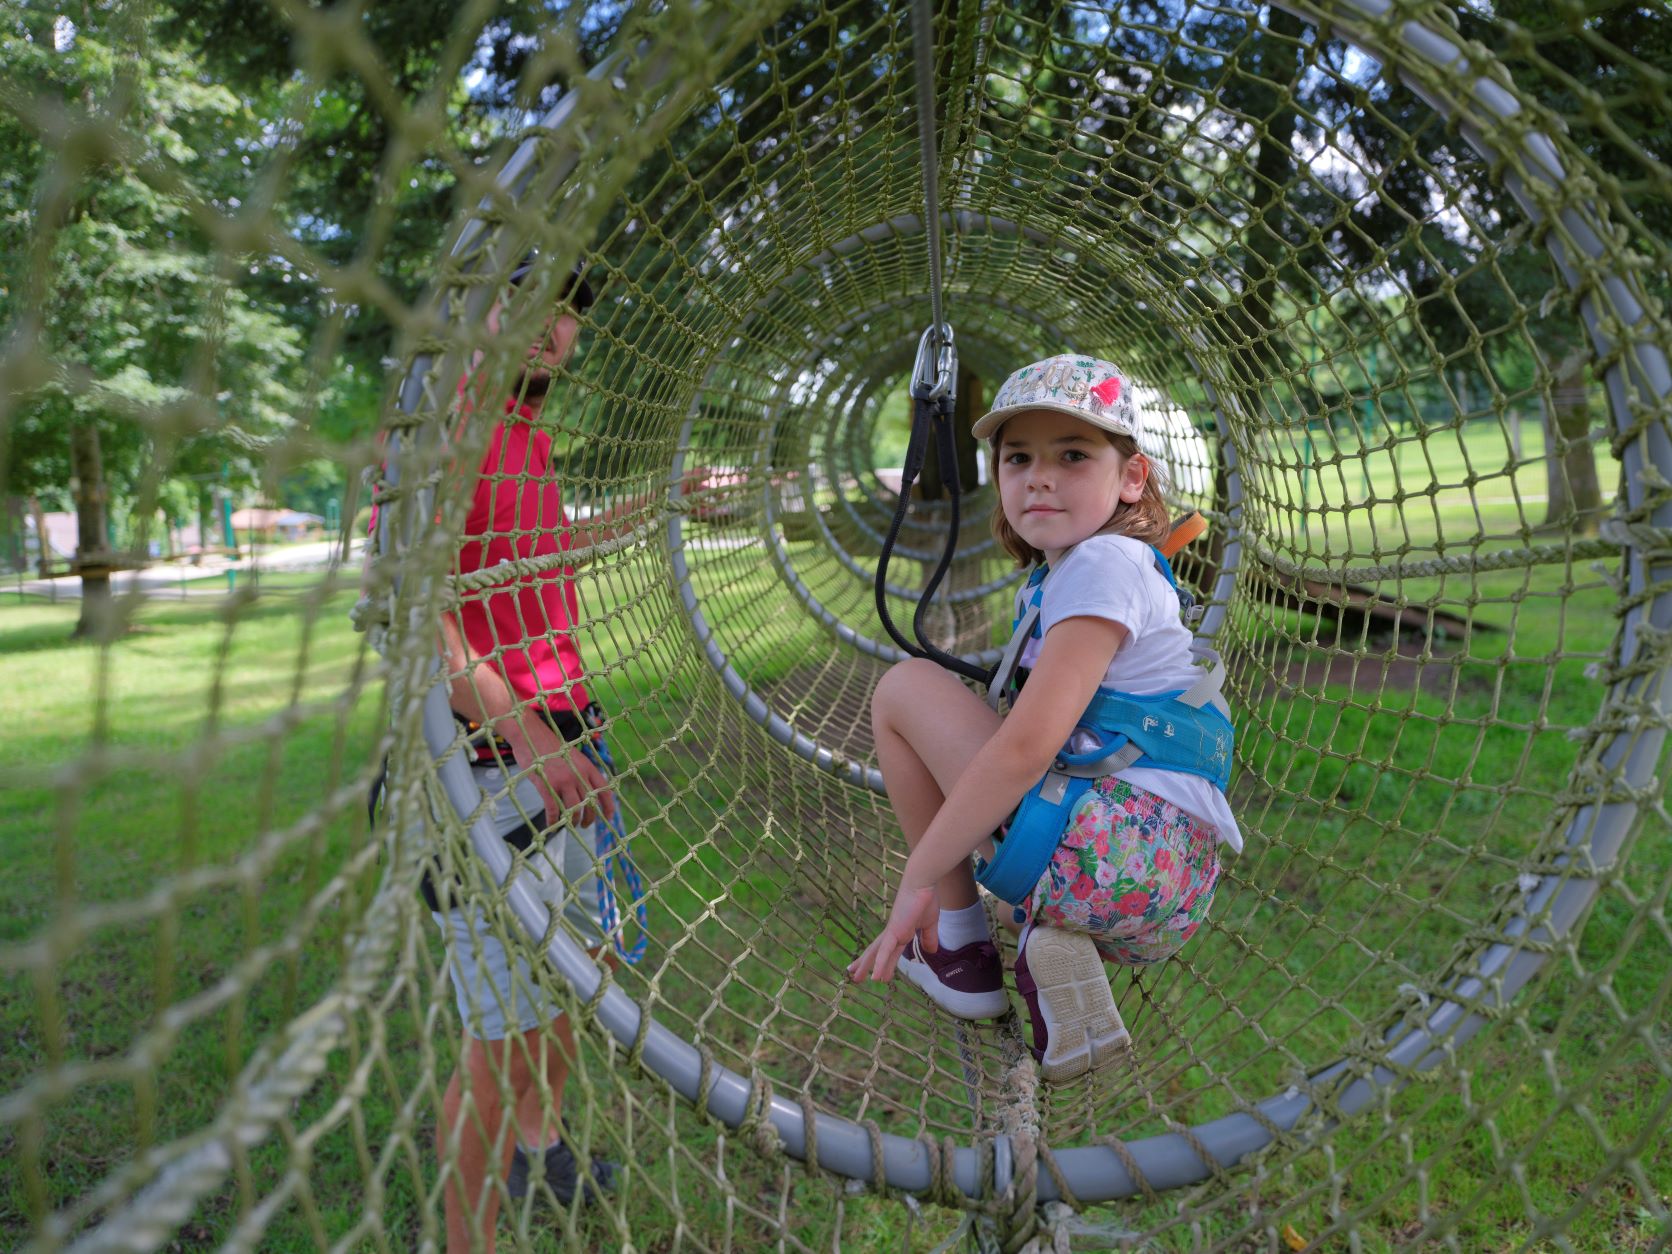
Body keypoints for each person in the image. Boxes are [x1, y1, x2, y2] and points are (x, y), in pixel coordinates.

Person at [848, 354, 1241, 1083]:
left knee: (905, 688)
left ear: (1132, 478)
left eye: (1072, 455)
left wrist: (920, 876)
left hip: (1118, 849)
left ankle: (956, 947)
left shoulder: (1101, 566)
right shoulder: (1084, 570)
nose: (1040, 476)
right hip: (1166, 884)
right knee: (978, 752)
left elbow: (1027, 746)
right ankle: (1048, 942)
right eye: (1018, 457)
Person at [415, 255, 654, 1250]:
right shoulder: (447, 430)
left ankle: (540, 1144)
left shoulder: (523, 431)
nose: (552, 328)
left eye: (567, 311)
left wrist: (631, 521)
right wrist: (520, 735)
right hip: (491, 766)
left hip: (566, 744)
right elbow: (420, 613)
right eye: (525, 304)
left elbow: (511, 566)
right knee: (495, 1027)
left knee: (571, 971)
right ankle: (460, 1233)